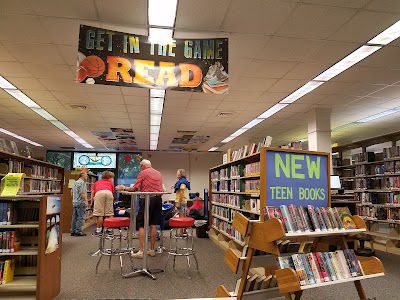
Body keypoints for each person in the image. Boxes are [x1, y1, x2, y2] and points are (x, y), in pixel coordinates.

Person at [116, 159, 163, 258]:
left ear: (142, 166)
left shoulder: (143, 172)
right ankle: (152, 250)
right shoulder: (158, 173)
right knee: (153, 224)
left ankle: (141, 251)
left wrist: (123, 188)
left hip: (147, 199)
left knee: (142, 224)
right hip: (158, 199)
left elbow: (135, 188)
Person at [91, 170, 115, 237]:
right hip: (109, 193)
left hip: (99, 193)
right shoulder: (111, 182)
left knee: (100, 214)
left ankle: (99, 231)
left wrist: (92, 202)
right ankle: (110, 230)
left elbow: (93, 192)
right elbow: (112, 191)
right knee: (109, 213)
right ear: (110, 177)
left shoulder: (97, 182)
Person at [70, 171, 88, 236]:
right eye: (86, 175)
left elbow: (71, 192)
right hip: (80, 202)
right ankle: (78, 231)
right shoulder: (82, 183)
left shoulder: (75, 182)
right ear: (82, 175)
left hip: (75, 202)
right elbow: (82, 193)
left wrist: (74, 199)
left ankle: (73, 230)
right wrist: (86, 201)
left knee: (74, 217)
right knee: (80, 217)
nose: (87, 177)